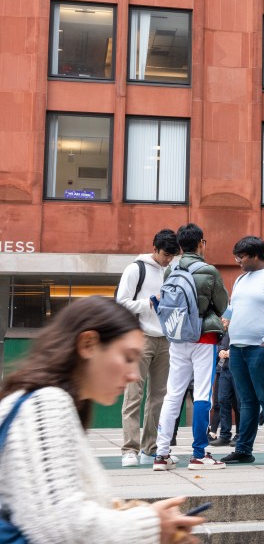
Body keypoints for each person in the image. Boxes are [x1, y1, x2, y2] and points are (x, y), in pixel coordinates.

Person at [0, 296, 205, 543]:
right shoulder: (47, 402)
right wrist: (151, 525)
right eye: (128, 358)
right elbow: (61, 526)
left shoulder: (46, 401)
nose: (133, 375)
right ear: (88, 344)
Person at [153, 223, 228, 471]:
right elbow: (221, 304)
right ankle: (199, 454)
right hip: (203, 338)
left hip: (177, 337)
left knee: (172, 394)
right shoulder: (209, 271)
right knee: (203, 394)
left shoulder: (171, 270)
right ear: (201, 244)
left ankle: (161, 454)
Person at [220, 235, 264, 464]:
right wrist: (225, 320)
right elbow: (232, 306)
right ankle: (243, 449)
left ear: (256, 255)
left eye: (242, 256)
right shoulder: (240, 279)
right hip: (237, 348)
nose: (238, 260)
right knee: (246, 402)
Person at [116, 229, 179, 467]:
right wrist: (149, 303)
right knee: (134, 395)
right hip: (140, 337)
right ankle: (129, 449)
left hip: (166, 339)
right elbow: (121, 302)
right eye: (165, 254)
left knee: (159, 398)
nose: (168, 259)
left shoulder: (171, 271)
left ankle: (150, 449)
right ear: (155, 248)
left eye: (172, 255)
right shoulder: (136, 269)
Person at [208, 330, 238, 447]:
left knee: (238, 404)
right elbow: (220, 345)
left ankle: (240, 435)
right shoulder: (225, 331)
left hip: (237, 368)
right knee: (222, 401)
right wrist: (221, 351)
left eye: (226, 317)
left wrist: (232, 352)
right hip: (224, 369)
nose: (224, 319)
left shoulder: (238, 325)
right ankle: (225, 435)